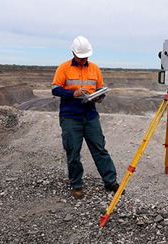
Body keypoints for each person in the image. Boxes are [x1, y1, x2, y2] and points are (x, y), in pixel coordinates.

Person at [52, 36, 119, 199]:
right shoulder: (64, 68)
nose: (84, 60)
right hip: (70, 116)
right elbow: (55, 89)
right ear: (73, 53)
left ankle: (110, 182)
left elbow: (101, 88)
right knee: (73, 151)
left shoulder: (94, 68)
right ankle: (76, 185)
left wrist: (99, 97)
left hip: (90, 115)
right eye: (81, 57)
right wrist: (72, 93)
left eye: (86, 57)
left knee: (99, 148)